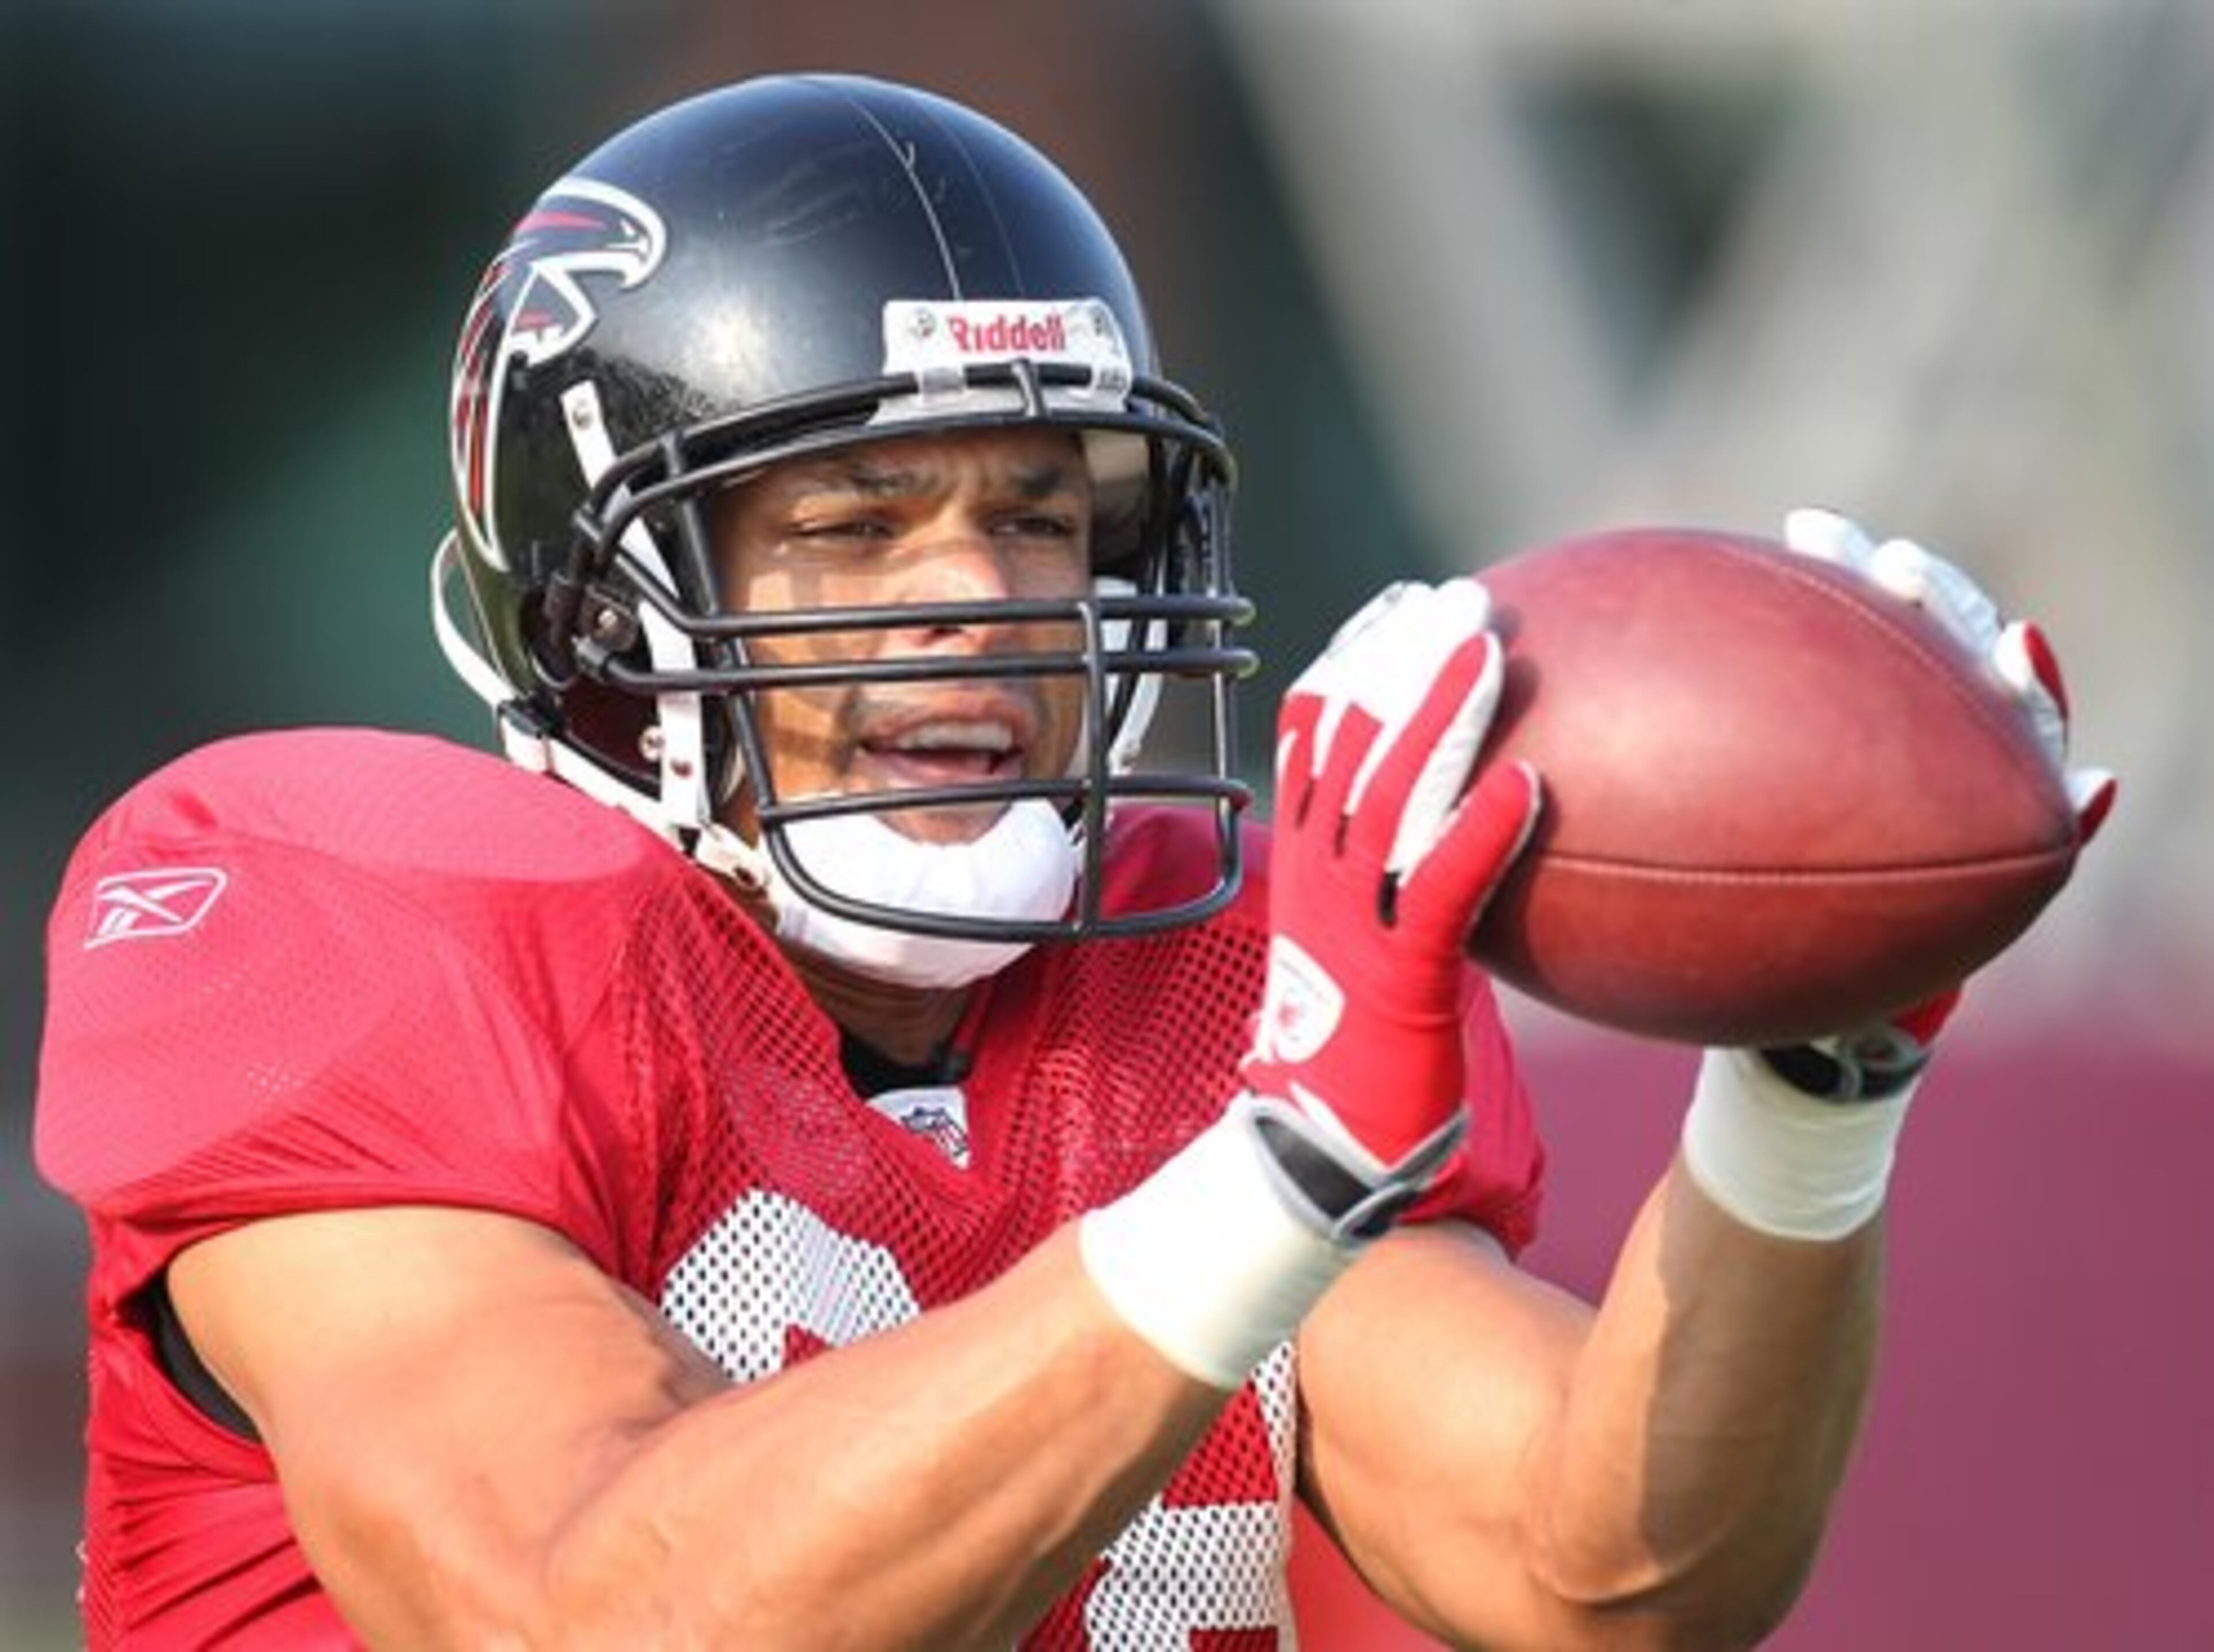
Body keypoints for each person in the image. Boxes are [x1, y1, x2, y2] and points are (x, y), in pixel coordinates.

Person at [33, 73, 2114, 1651]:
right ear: (601, 609)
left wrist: (1806, 1099)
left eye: (1042, 515)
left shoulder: (1206, 975)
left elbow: (1607, 1570)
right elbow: (599, 1600)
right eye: (853, 528)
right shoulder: (367, 910)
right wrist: (1273, 1183)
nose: (980, 597)